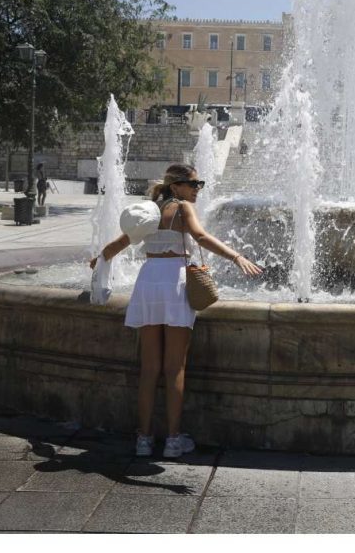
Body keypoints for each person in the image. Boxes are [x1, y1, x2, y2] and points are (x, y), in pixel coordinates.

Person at [89, 163, 263, 458]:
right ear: (176, 187)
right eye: (193, 184)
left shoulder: (149, 211)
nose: (197, 190)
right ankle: (172, 439)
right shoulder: (182, 209)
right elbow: (202, 237)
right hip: (175, 282)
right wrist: (236, 256)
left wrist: (100, 259)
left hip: (148, 281)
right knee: (174, 368)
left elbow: (119, 243)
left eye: (198, 184)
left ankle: (143, 440)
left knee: (149, 369)